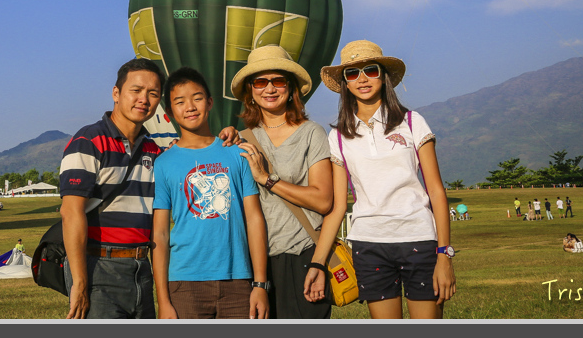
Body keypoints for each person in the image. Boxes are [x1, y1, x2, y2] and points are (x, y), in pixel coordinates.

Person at [304, 40, 456, 319]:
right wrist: (317, 263)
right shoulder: (338, 136)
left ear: (383, 75)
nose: (362, 79)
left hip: (419, 240)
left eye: (370, 70)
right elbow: (339, 207)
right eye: (352, 73)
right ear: (345, 84)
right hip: (369, 245)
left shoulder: (412, 122)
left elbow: (436, 191)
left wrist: (445, 254)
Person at [152, 67, 270, 319]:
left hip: (238, 279)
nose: (190, 107)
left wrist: (260, 284)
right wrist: (163, 300)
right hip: (184, 281)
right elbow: (160, 234)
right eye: (179, 102)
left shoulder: (236, 154)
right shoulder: (164, 163)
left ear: (210, 102)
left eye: (197, 98)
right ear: (170, 112)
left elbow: (254, 218)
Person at [226, 45, 334, 320]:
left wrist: (267, 179)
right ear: (251, 90)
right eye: (261, 82)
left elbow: (323, 200)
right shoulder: (240, 139)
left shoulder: (312, 133)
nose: (270, 88)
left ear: (291, 88)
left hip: (303, 255)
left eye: (278, 81)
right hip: (256, 261)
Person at [59, 57, 164, 319]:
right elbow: (71, 213)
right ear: (116, 93)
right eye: (136, 91)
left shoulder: (154, 150)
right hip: (99, 265)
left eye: (153, 93)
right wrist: (80, 283)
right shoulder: (88, 141)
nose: (144, 99)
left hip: (141, 268)